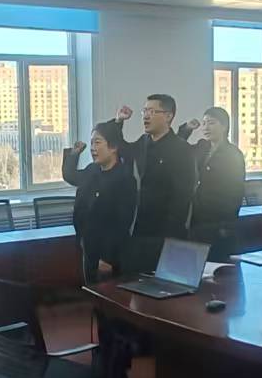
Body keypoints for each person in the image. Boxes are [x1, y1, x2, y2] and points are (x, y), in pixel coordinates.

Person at [113, 93, 197, 247]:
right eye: (144, 111)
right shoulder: (144, 141)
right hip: (141, 227)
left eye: (152, 111)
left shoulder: (181, 149)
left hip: (167, 231)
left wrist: (171, 234)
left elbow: (183, 195)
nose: (146, 116)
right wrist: (118, 122)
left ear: (168, 116)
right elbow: (122, 150)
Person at [61, 121, 139, 285]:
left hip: (108, 254)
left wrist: (107, 257)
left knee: (107, 294)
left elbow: (122, 222)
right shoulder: (92, 170)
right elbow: (71, 176)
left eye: (97, 142)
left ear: (113, 147)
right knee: (91, 292)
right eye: (91, 143)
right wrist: (74, 154)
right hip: (89, 247)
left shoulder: (124, 179)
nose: (92, 148)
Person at [177, 105, 246, 257]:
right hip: (197, 215)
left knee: (216, 261)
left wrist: (227, 224)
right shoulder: (202, 147)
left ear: (224, 126)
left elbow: (236, 192)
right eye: (204, 123)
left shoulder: (233, 154)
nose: (206, 127)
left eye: (211, 123)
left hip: (218, 219)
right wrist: (187, 129)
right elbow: (178, 147)